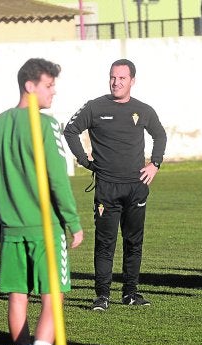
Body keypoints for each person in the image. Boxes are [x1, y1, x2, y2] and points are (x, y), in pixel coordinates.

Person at [0, 58, 83, 345]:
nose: (54, 92)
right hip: (44, 228)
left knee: (17, 298)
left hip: (10, 227)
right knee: (53, 299)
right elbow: (58, 178)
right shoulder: (46, 124)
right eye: (49, 85)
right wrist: (73, 222)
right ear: (30, 86)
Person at [64, 59, 167, 309]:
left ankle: (130, 293)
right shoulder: (95, 107)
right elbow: (70, 130)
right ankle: (102, 295)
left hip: (136, 186)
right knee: (105, 243)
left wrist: (155, 163)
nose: (116, 82)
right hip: (107, 188)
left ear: (132, 80)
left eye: (122, 78)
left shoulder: (143, 110)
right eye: (112, 77)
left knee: (133, 242)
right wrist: (84, 160)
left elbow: (159, 134)